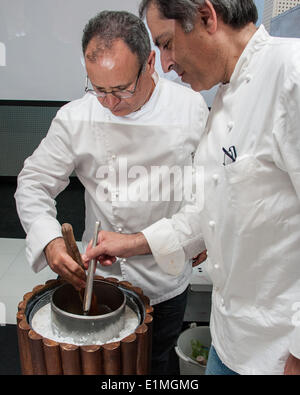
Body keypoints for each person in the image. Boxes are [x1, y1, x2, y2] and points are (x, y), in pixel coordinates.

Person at [84, 1, 300, 375]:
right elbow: (209, 213)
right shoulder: (224, 96)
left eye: (166, 43)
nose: (165, 63)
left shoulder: (290, 74)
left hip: (282, 350)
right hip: (231, 337)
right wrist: (130, 243)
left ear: (206, 17)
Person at [15, 10, 209, 375]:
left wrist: (201, 233)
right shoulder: (76, 117)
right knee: (104, 367)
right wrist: (50, 240)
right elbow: (33, 182)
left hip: (165, 270)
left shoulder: (189, 108)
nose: (109, 103)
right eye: (98, 89)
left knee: (156, 360)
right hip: (103, 275)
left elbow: (207, 190)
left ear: (150, 63)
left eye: (121, 89)